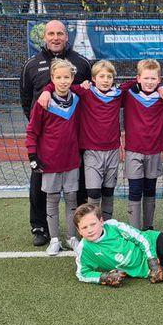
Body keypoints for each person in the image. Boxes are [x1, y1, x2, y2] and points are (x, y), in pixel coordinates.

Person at [22, 20, 92, 243]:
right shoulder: (31, 64)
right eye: (51, 33)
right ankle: (40, 227)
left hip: (74, 140)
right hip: (46, 142)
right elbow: (26, 100)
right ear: (44, 37)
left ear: (66, 36)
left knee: (77, 187)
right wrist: (43, 131)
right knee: (39, 187)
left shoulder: (81, 63)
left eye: (60, 33)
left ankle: (80, 228)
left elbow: (88, 92)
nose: (55, 37)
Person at [39, 59, 124, 220]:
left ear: (114, 79)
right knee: (93, 193)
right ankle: (93, 223)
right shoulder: (85, 92)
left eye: (109, 77)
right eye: (101, 76)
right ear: (93, 78)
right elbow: (63, 85)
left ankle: (108, 226)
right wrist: (46, 90)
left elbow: (136, 84)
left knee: (108, 192)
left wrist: (160, 87)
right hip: (91, 151)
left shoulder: (118, 94)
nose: (105, 80)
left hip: (113, 150)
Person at [26, 59, 82, 254]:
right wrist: (32, 155)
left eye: (66, 77)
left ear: (72, 78)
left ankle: (72, 237)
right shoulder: (44, 102)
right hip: (50, 162)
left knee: (72, 199)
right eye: (58, 77)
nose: (63, 81)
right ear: (52, 78)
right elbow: (32, 131)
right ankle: (55, 239)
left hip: (71, 160)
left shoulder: (77, 99)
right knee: (52, 200)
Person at [121, 58, 163, 230]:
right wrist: (135, 83)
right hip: (133, 151)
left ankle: (148, 228)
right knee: (135, 191)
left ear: (159, 79)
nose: (149, 82)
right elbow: (120, 88)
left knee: (150, 191)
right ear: (138, 78)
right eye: (145, 78)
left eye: (153, 78)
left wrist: (161, 88)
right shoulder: (129, 94)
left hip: (154, 151)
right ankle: (134, 230)